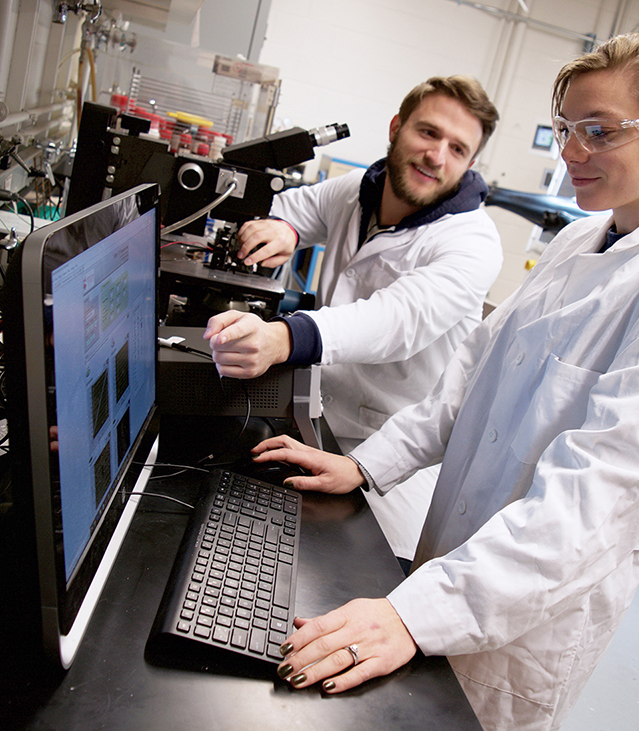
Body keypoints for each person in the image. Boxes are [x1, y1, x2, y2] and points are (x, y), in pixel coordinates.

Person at [245, 32, 639, 731]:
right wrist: (364, 465)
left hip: (524, 618)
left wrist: (413, 612)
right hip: (448, 566)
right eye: (569, 127)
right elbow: (468, 378)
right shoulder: (584, 238)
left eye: (599, 131)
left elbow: (591, 506)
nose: (570, 152)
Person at [205, 76, 503, 562]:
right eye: (428, 133)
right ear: (396, 127)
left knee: (351, 581)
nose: (436, 155)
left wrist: (284, 338)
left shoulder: (472, 243)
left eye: (457, 148)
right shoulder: (358, 190)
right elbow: (291, 207)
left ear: (470, 163)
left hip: (393, 460)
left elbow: (395, 321)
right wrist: (284, 227)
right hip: (314, 421)